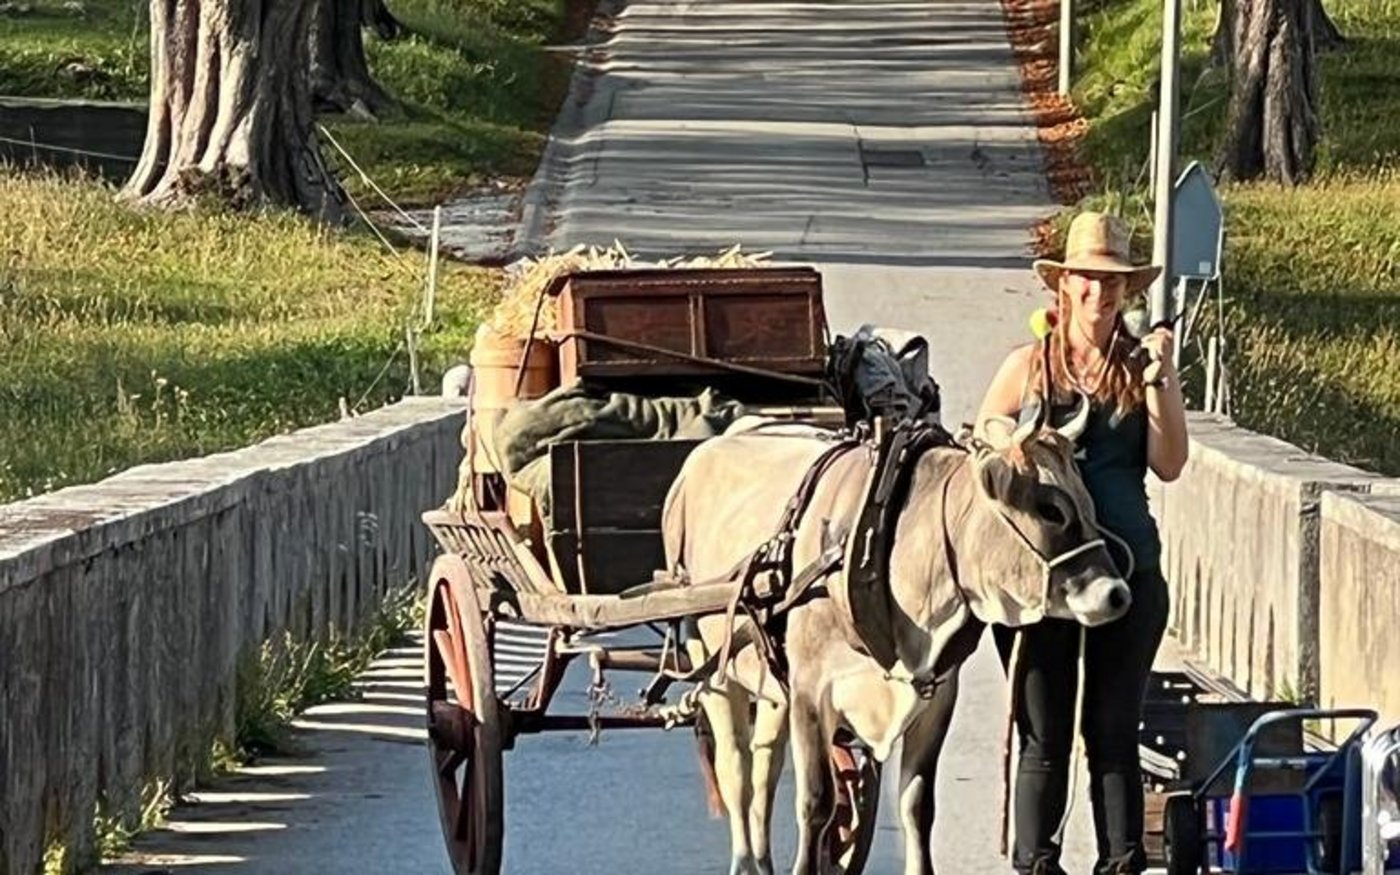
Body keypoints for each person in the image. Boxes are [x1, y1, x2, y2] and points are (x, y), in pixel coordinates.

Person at [975, 211, 1190, 874]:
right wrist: (1005, 436)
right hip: (1045, 579)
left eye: (1113, 281)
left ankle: (1120, 863)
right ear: (1064, 284)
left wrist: (1161, 377)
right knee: (1044, 735)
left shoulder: (1140, 367)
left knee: (1112, 730)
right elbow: (984, 431)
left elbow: (1170, 463)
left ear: (1127, 290)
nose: (1100, 292)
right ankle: (1036, 864)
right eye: (1088, 279)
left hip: (1127, 573)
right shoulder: (1030, 364)